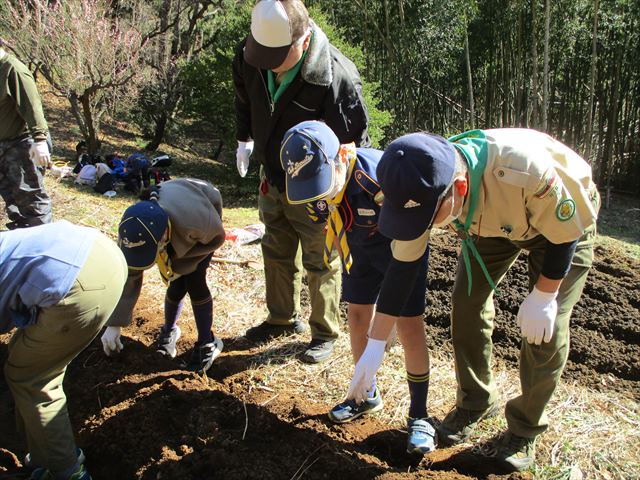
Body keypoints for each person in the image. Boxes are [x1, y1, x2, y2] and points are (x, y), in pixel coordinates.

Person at [347, 129, 599, 471]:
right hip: (489, 223)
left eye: (424, 218)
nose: (418, 226)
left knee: (545, 332)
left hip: (560, 227)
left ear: (459, 189)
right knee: (466, 306)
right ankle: (476, 401)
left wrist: (545, 295)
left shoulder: (523, 170)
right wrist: (374, 346)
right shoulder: (421, 185)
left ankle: (524, 429)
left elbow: (566, 229)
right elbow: (401, 273)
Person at [281, 121, 434, 454]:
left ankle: (420, 416)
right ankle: (366, 394)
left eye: (321, 183)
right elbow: (328, 218)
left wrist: (388, 317)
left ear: (338, 159)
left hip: (402, 246)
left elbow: (414, 225)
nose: (317, 192)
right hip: (358, 246)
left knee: (408, 326)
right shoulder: (309, 184)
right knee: (357, 316)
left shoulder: (381, 175)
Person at [232, 0, 370, 363]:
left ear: (302, 39)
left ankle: (324, 332)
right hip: (272, 175)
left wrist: (340, 190)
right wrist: (244, 138)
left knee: (320, 257)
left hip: (313, 185)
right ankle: (280, 318)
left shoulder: (334, 76)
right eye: (262, 53)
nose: (267, 63)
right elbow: (244, 97)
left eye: (276, 55)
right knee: (275, 247)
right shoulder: (252, 56)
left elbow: (353, 140)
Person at [1, 221, 128, 480]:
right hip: (105, 254)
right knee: (21, 356)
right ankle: (43, 457)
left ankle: (68, 472)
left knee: (31, 378)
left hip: (76, 279)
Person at [100, 178, 226, 374]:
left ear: (164, 235)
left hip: (205, 206)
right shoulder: (133, 229)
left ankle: (207, 342)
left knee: (194, 280)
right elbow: (130, 273)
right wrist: (114, 324)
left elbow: (217, 238)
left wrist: (181, 262)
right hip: (173, 211)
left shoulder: (198, 222)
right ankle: (169, 331)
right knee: (176, 283)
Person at [0, 38, 52, 229]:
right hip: (2, 148)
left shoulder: (14, 69)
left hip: (19, 146)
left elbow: (32, 107)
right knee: (13, 203)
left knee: (32, 201)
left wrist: (40, 141)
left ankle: (41, 244)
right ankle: (23, 241)